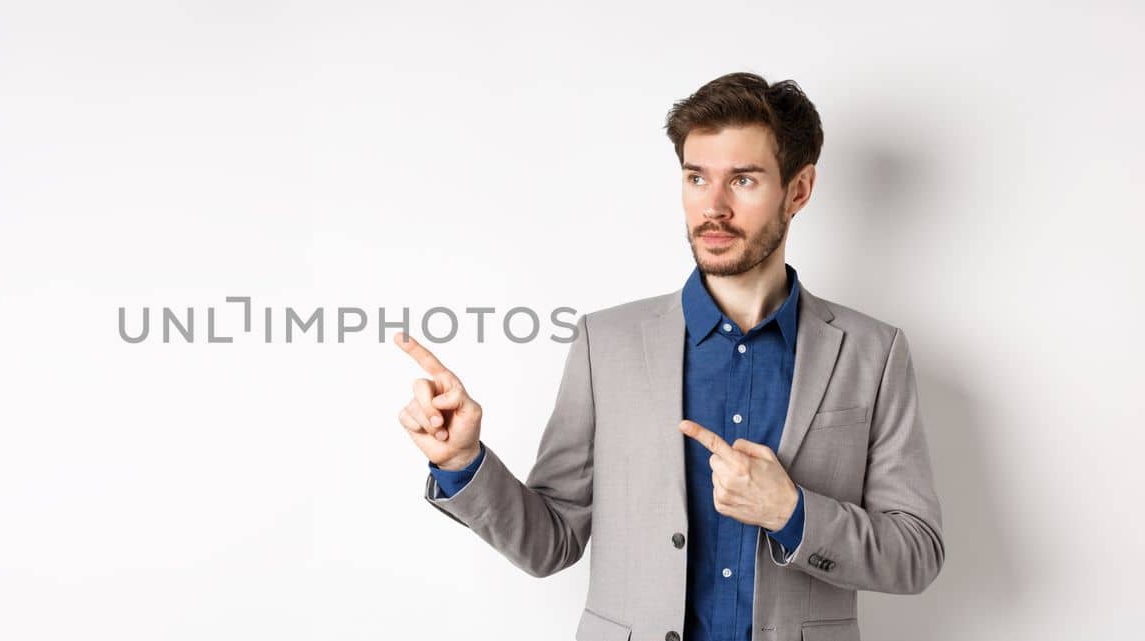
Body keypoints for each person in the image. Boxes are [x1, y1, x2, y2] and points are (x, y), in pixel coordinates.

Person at [394, 72, 944, 641]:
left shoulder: (873, 353)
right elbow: (550, 543)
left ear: (799, 190)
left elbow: (916, 552)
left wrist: (790, 512)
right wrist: (463, 462)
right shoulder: (604, 344)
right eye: (697, 177)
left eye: (744, 180)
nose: (714, 206)